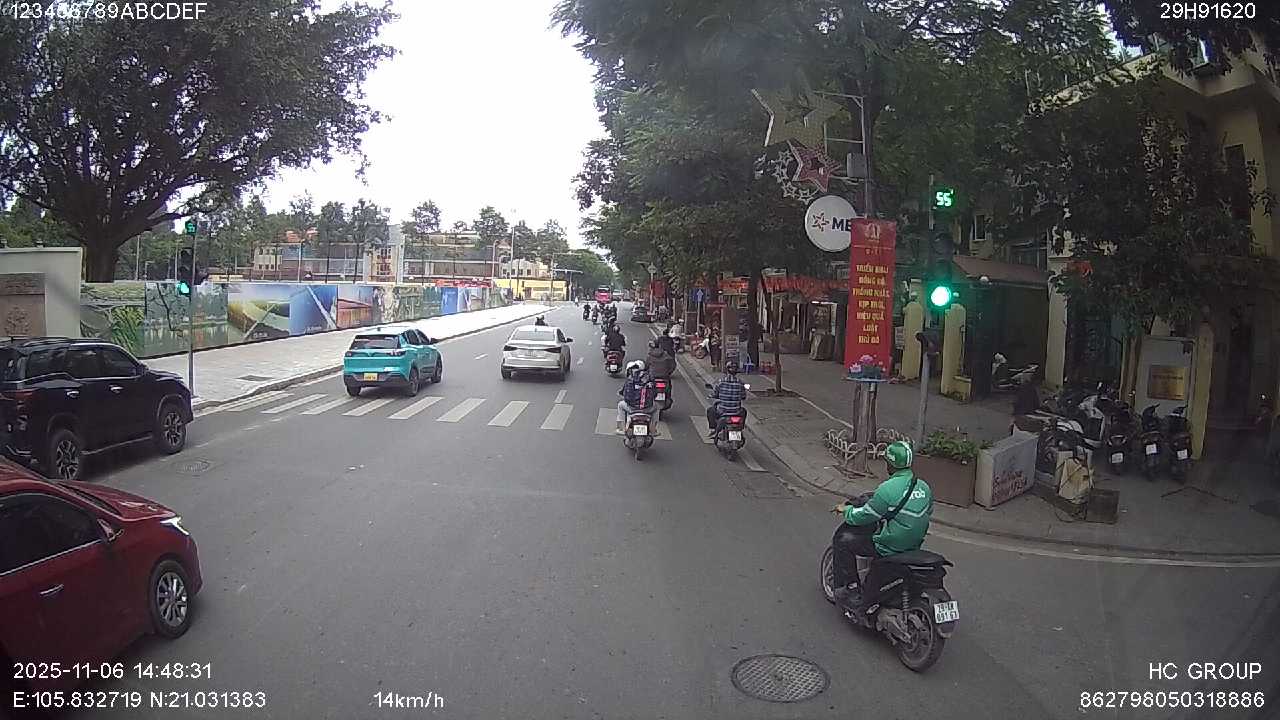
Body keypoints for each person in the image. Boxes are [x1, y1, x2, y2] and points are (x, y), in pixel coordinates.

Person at [830, 441, 934, 611]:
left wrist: (847, 510)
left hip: (890, 546)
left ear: (890, 464)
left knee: (843, 541)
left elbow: (864, 516)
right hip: (914, 545)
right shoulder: (924, 487)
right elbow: (928, 511)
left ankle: (851, 588)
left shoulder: (886, 490)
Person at [705, 360, 747, 437]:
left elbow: (716, 393)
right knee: (744, 411)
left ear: (726, 370)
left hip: (722, 412)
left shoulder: (721, 382)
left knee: (710, 410)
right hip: (736, 412)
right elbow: (743, 396)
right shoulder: (740, 383)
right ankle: (740, 429)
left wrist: (714, 395)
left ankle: (713, 429)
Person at [616, 360, 654, 433]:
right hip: (647, 409)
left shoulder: (630, 380)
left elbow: (626, 394)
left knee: (620, 405)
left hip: (632, 408)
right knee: (657, 407)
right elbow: (654, 392)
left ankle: (622, 428)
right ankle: (653, 430)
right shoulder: (649, 378)